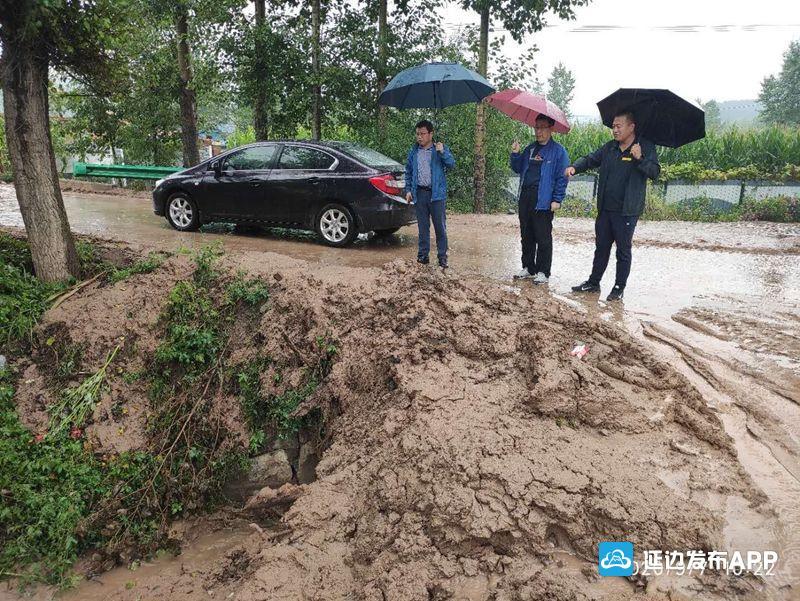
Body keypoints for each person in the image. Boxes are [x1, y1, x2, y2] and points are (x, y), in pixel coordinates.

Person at [565, 111, 660, 301]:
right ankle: (593, 282)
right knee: (601, 247)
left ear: (631, 127)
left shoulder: (645, 147)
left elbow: (655, 172)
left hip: (626, 211)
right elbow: (591, 158)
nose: (615, 130)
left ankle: (618, 287)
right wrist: (575, 167)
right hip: (605, 209)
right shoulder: (610, 148)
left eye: (619, 126)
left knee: (623, 251)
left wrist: (640, 158)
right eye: (613, 126)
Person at [510, 114, 570, 283]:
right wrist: (515, 154)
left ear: (551, 129)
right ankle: (528, 267)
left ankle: (543, 271)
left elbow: (562, 177)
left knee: (543, 237)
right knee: (526, 235)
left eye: (543, 127)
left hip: (543, 199)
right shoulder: (530, 149)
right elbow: (517, 168)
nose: (538, 131)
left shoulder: (559, 152)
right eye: (536, 127)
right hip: (526, 197)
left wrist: (557, 199)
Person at [405, 120, 455, 268]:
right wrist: (408, 190)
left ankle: (442, 257)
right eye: (417, 134)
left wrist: (442, 152)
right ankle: (423, 256)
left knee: (440, 227)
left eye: (423, 134)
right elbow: (408, 172)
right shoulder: (414, 151)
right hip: (419, 194)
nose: (419, 137)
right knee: (423, 227)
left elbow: (451, 164)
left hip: (436, 195)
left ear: (431, 134)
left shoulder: (439, 149)